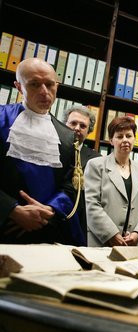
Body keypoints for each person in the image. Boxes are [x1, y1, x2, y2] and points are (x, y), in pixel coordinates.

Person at [0, 58, 83, 245]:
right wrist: (11, 210)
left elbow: (70, 186)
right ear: (19, 87)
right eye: (34, 85)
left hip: (47, 231)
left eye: (49, 84)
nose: (44, 92)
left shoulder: (67, 136)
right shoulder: (0, 119)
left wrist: (50, 210)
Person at [84, 116, 138, 247]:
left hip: (131, 245)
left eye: (129, 136)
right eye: (119, 136)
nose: (125, 140)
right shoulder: (96, 165)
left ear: (134, 139)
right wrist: (112, 234)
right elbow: (91, 204)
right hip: (102, 241)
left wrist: (137, 234)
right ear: (111, 141)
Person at [64, 105, 101, 240]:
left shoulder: (97, 159)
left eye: (83, 125)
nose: (77, 128)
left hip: (81, 225)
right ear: (64, 124)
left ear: (88, 131)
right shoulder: (52, 150)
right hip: (52, 219)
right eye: (73, 123)